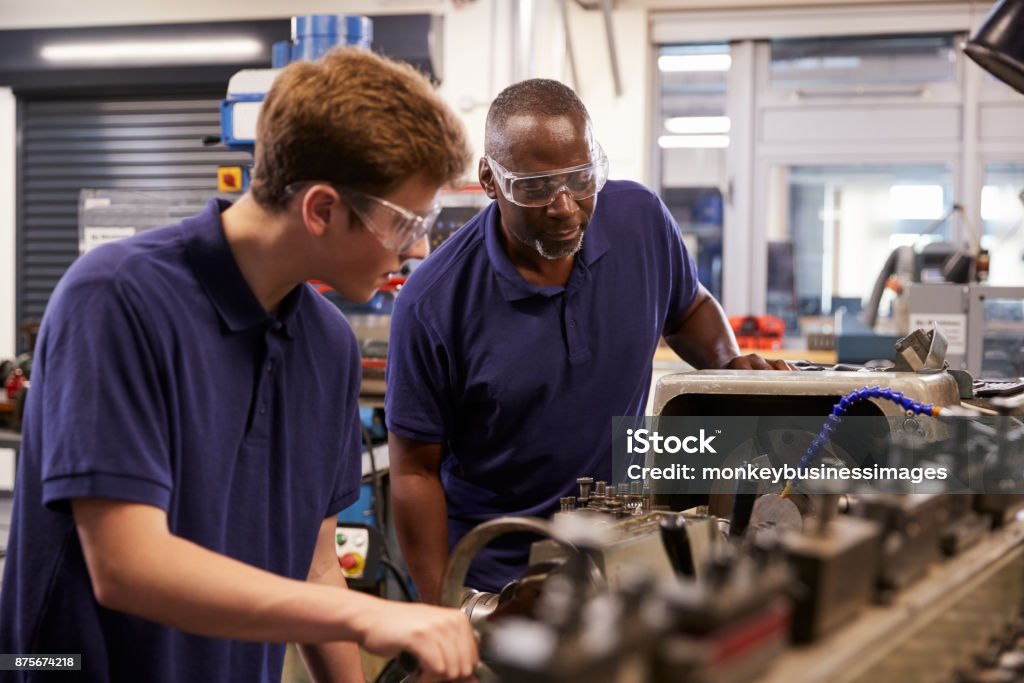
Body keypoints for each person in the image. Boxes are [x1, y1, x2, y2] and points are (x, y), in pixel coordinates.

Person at [0, 47, 479, 683]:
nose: (419, 246)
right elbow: (125, 565)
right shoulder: (116, 298)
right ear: (322, 209)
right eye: (405, 221)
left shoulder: (329, 345)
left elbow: (316, 564)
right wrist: (362, 619)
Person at [385, 78, 789, 603]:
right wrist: (446, 610)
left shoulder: (638, 220)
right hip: (500, 577)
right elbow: (414, 472)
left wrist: (729, 367)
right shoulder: (432, 303)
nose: (564, 207)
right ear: (489, 179)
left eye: (580, 178)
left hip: (621, 551)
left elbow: (688, 306)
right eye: (535, 187)